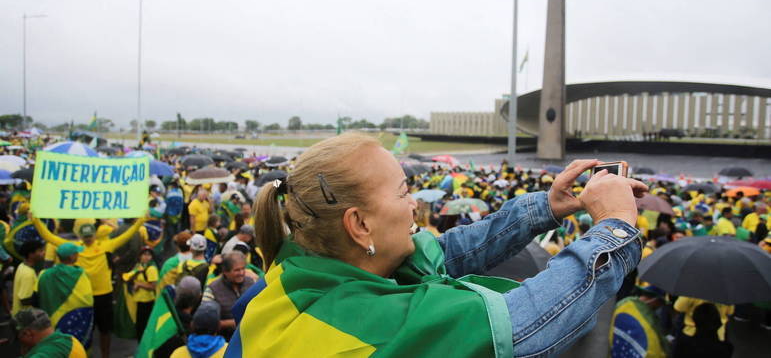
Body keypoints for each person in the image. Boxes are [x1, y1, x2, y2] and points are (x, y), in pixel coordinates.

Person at [228, 133, 647, 357]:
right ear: (359, 225)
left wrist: (547, 208)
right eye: (403, 192)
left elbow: (440, 254)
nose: (414, 204)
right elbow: (525, 323)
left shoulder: (297, 278)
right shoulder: (368, 328)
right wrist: (614, 227)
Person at [31, 214, 147, 358]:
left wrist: (140, 221)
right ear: (82, 236)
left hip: (95, 295)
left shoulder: (88, 247)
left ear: (93, 234)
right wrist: (36, 221)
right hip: (89, 296)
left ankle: (100, 355)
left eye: (89, 236)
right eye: (86, 236)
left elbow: (49, 237)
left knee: (100, 329)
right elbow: (49, 237)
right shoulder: (83, 248)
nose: (88, 239)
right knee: (92, 329)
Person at [36, 243, 94, 350]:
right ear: (71, 257)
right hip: (78, 318)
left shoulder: (44, 274)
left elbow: (36, 294)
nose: (78, 255)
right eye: (76, 253)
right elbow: (87, 299)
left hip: (53, 320)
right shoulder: (81, 273)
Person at [202, 252, 255, 339]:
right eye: (237, 270)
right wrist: (231, 323)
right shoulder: (212, 290)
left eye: (243, 269)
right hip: (227, 340)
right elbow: (207, 320)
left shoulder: (251, 283)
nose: (241, 273)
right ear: (225, 272)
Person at [13, 308, 86, 358]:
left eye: (19, 338)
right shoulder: (70, 339)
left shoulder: (46, 353)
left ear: (28, 333)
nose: (21, 344)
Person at [122, 246, 159, 335]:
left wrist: (139, 284)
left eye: (149, 255)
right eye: (144, 255)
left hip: (147, 301)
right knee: (139, 326)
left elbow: (153, 286)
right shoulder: (138, 266)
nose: (146, 257)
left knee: (143, 328)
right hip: (138, 300)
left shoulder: (151, 269)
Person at [12, 240, 45, 316]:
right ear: (31, 254)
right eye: (40, 251)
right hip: (25, 319)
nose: (44, 253)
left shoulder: (22, 265)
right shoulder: (28, 274)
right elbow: (24, 299)